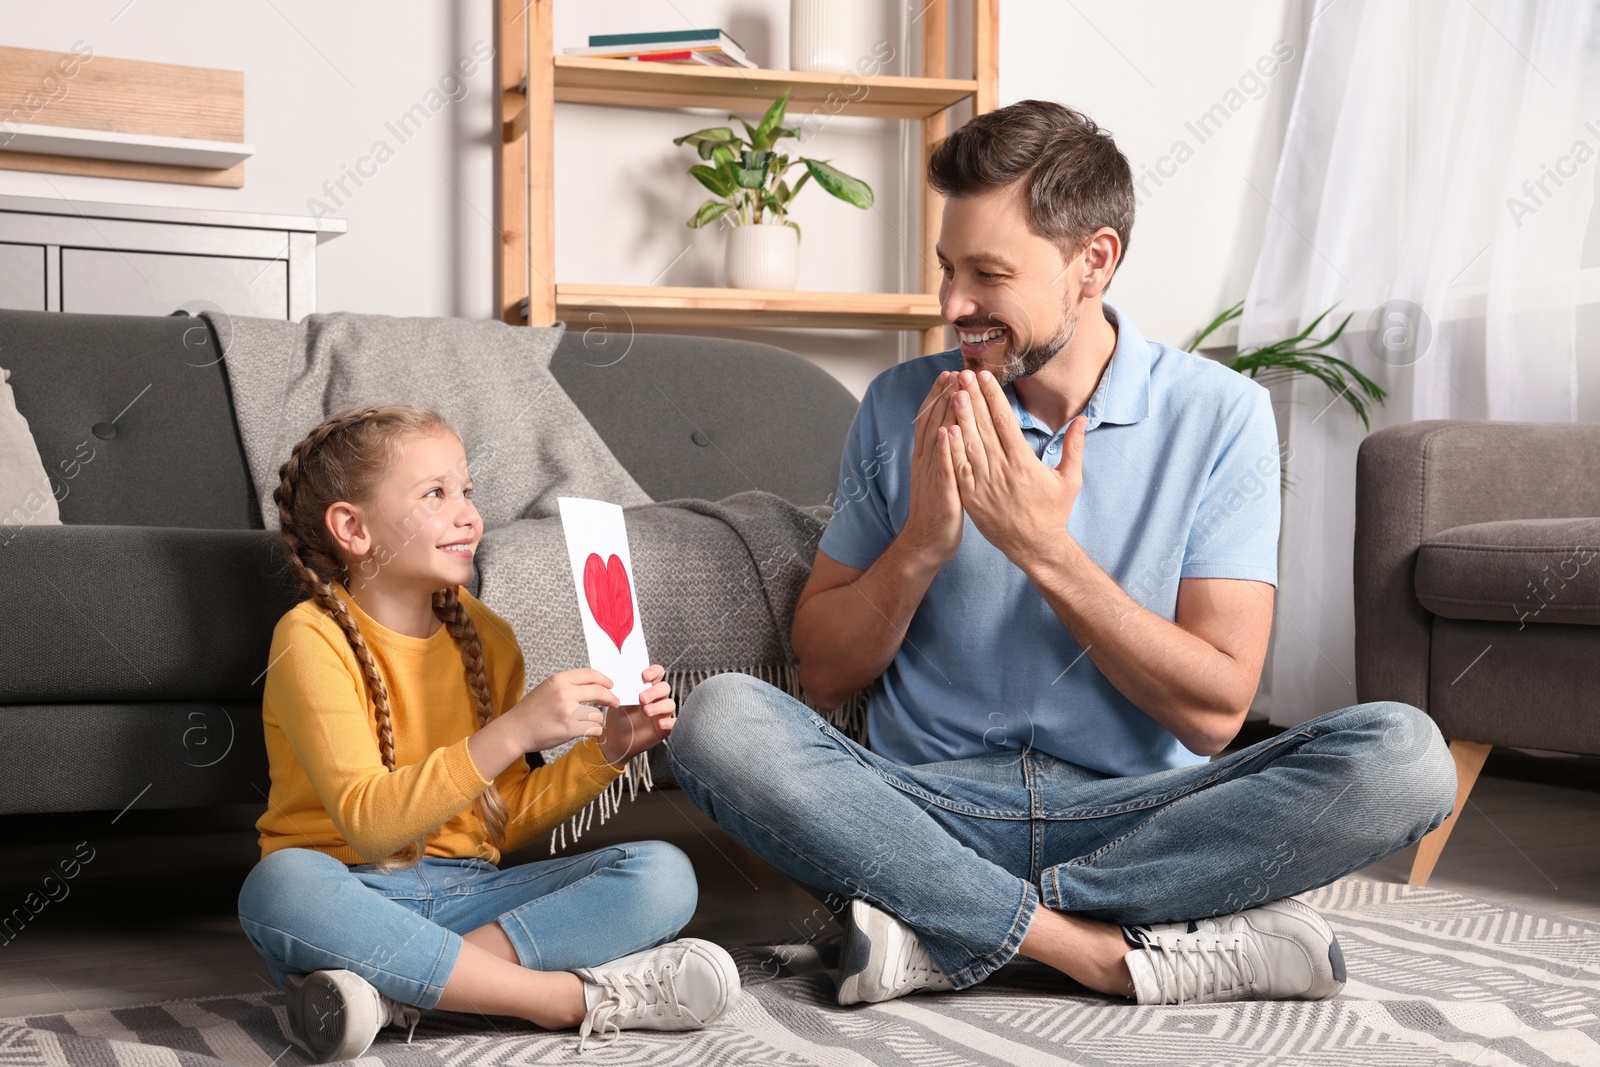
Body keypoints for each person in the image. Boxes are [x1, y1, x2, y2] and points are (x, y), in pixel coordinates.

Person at [666, 100, 1457, 1008]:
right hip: (926, 810)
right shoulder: (899, 405)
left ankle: (944, 926)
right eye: (947, 269)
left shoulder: (1219, 414)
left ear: (1095, 261)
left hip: (1140, 819)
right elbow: (824, 673)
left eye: (989, 274)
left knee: (1407, 755)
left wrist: (1047, 552)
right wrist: (924, 544)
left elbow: (1215, 713)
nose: (954, 305)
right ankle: (1094, 950)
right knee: (719, 719)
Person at [237, 404, 739, 1061]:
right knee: (277, 888)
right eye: (436, 494)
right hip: (350, 896)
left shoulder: (489, 639)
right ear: (352, 528)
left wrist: (608, 750)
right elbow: (369, 824)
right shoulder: (310, 638)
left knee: (665, 873)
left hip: (471, 895)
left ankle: (392, 993)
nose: (469, 513)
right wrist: (516, 727)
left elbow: (497, 821)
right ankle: (563, 999)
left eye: (467, 492)